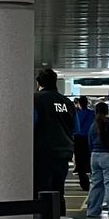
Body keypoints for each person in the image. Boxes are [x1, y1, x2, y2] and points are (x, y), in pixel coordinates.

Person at [33, 67, 76, 197]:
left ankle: (44, 216)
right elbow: (75, 128)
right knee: (58, 190)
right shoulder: (67, 102)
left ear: (39, 83)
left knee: (42, 190)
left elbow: (31, 125)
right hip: (63, 153)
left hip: (43, 152)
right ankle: (59, 216)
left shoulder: (36, 100)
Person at [71, 96, 94, 191]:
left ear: (79, 104)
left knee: (80, 163)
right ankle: (95, 183)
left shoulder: (76, 114)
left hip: (78, 140)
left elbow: (74, 127)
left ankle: (84, 184)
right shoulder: (93, 114)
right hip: (90, 139)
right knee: (91, 161)